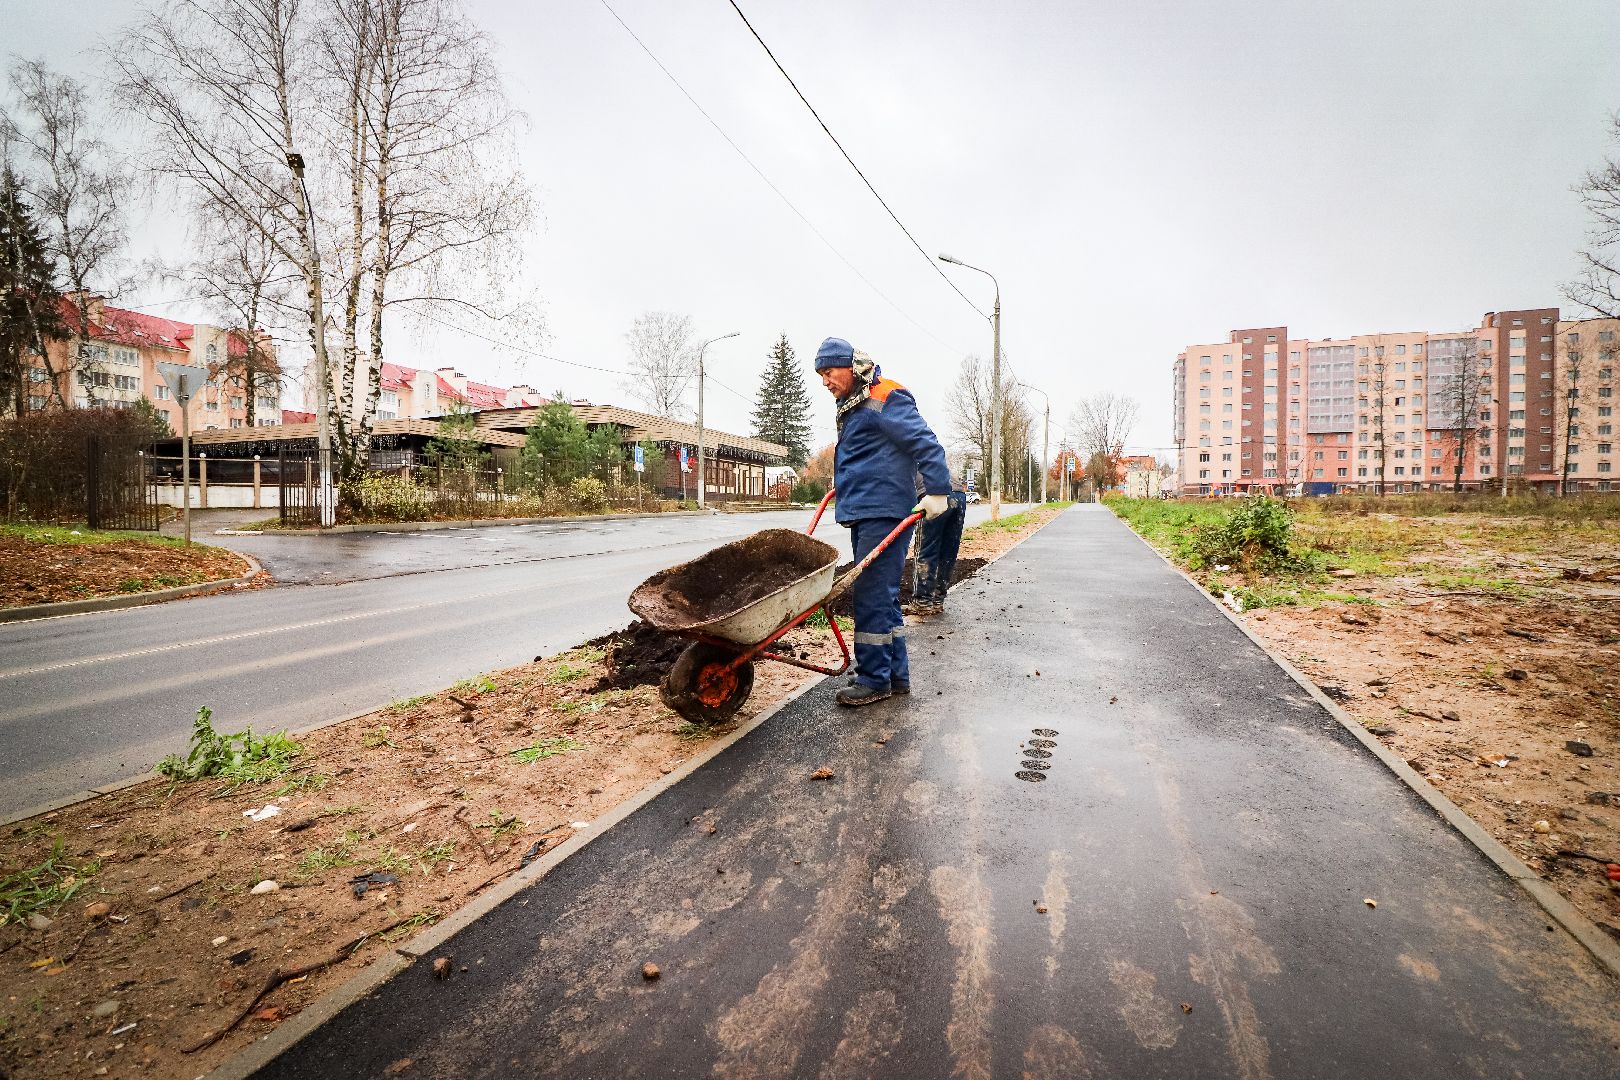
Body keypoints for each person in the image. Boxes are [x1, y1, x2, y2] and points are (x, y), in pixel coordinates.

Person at [814, 336, 952, 707]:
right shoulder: (853, 404)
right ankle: (893, 674)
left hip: (883, 510)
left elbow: (926, 443)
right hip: (866, 509)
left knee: (872, 594)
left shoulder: (885, 396)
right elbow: (865, 457)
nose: (825, 381)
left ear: (850, 365)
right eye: (821, 375)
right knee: (884, 596)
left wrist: (938, 490)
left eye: (829, 372)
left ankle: (875, 679)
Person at [903, 472, 967, 616]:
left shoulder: (902, 457)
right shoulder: (929, 455)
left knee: (925, 550)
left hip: (932, 495)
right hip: (958, 495)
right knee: (949, 551)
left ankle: (922, 603)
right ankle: (938, 601)